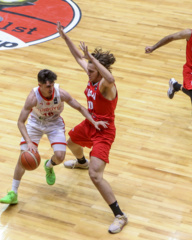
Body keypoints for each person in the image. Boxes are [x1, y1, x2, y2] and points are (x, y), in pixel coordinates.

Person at [57, 22, 128, 234]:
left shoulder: (106, 85)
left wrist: (93, 60)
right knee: (71, 143)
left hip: (104, 131)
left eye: (91, 71)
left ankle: (119, 215)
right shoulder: (92, 72)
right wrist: (64, 37)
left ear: (98, 70)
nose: (87, 73)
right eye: (87, 70)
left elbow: (111, 77)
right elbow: (78, 57)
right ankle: (81, 162)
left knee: (96, 176)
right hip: (90, 123)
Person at [0, 69, 107, 204]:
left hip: (54, 123)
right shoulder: (33, 98)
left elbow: (79, 107)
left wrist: (94, 121)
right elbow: (20, 122)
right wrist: (29, 142)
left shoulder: (60, 93)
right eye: (48, 86)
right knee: (23, 157)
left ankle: (49, 166)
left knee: (60, 157)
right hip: (35, 124)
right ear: (40, 85)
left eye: (52, 85)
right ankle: (13, 193)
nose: (51, 89)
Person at [145, 13, 192, 149]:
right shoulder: (189, 34)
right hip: (190, 70)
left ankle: (175, 85)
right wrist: (153, 47)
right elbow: (170, 37)